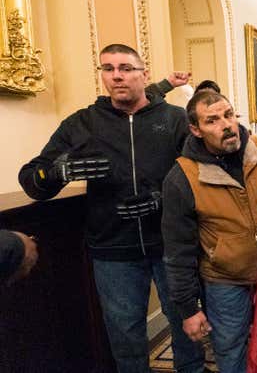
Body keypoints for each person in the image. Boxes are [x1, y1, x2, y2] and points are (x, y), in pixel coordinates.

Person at [18, 44, 204, 372]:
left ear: (144, 74)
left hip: (171, 247)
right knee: (126, 340)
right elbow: (32, 179)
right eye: (108, 68)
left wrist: (164, 199)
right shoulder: (82, 123)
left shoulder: (174, 120)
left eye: (126, 68)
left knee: (187, 332)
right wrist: (58, 171)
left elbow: (202, 177)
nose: (116, 75)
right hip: (112, 250)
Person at [162, 90, 257, 373]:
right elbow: (178, 251)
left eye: (229, 115)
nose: (226, 125)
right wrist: (188, 309)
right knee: (231, 349)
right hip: (225, 280)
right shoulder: (182, 176)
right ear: (195, 130)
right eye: (212, 121)